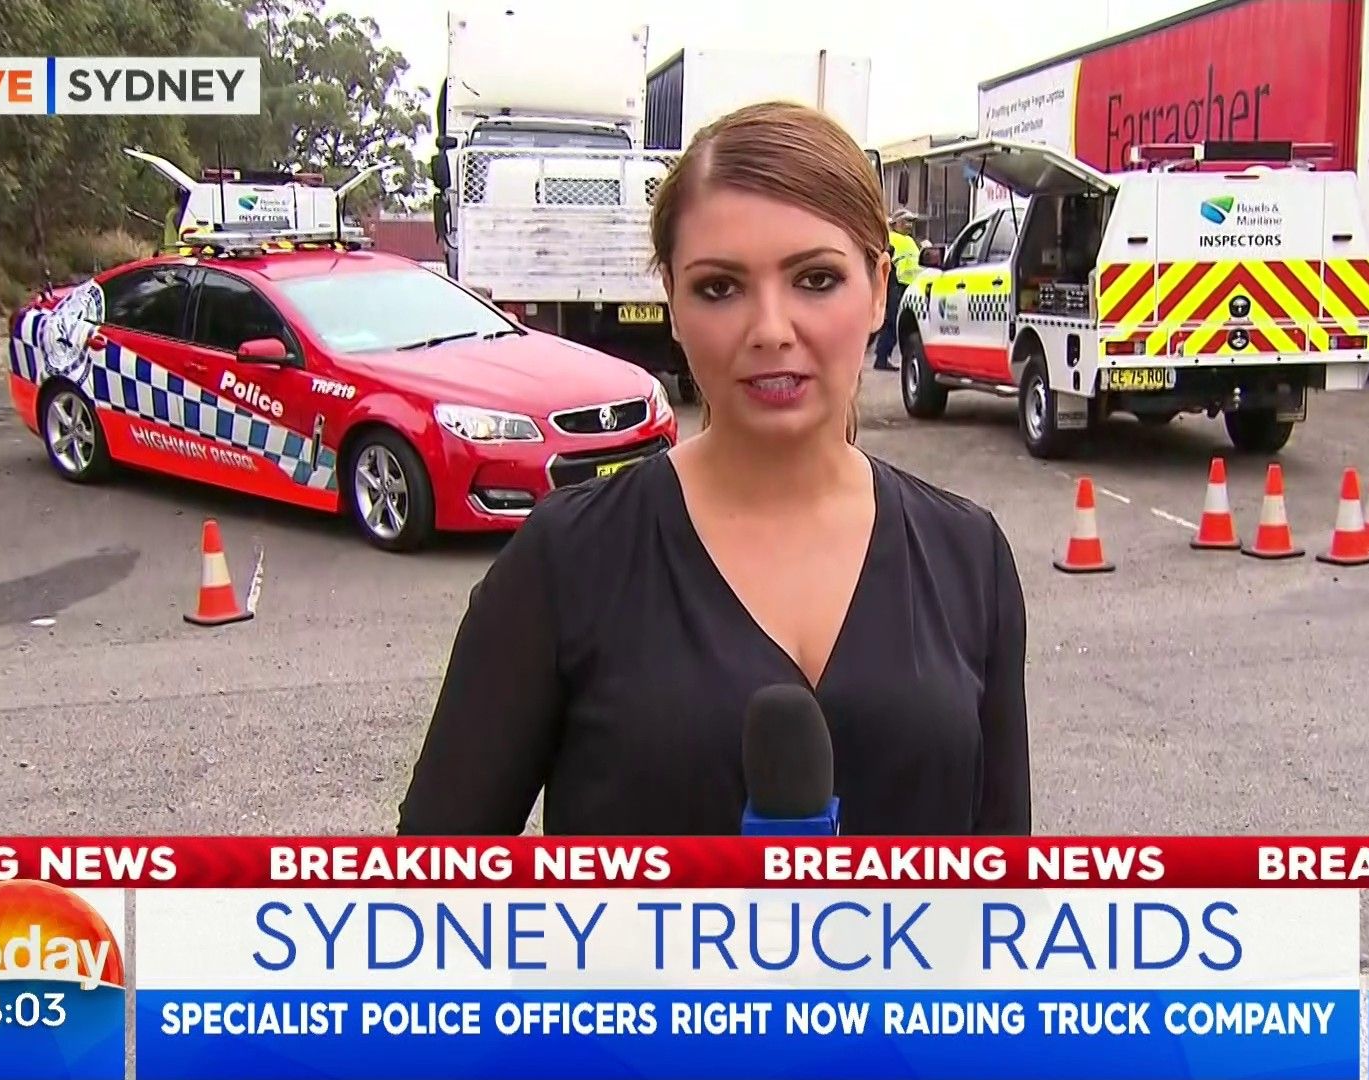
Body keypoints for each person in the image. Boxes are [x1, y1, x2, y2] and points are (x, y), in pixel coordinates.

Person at [398, 101, 1031, 838]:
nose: (770, 330)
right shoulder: (567, 562)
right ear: (672, 300)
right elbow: (434, 874)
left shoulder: (970, 558)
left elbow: (1004, 873)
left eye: (816, 279)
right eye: (720, 288)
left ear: (878, 290)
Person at [872, 209, 924, 371]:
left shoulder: (910, 240)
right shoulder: (890, 239)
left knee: (903, 324)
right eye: (905, 222)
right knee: (892, 323)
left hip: (911, 286)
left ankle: (890, 357)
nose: (909, 225)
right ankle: (882, 358)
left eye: (911, 222)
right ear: (895, 223)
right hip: (895, 285)